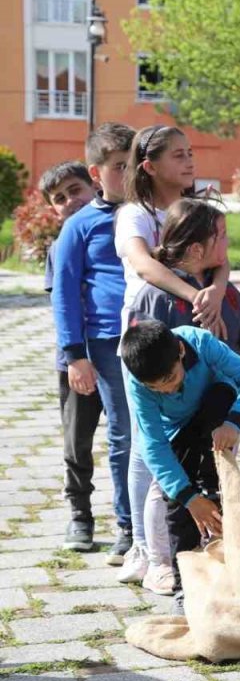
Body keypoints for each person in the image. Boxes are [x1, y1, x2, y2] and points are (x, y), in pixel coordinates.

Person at [115, 125, 229, 591]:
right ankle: (146, 548)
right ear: (149, 165)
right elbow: (145, 265)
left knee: (187, 439)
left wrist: (215, 292)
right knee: (148, 443)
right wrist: (196, 295)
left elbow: (220, 258)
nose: (189, 161)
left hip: (193, 333)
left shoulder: (202, 202)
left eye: (190, 153)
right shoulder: (134, 214)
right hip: (150, 331)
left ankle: (188, 538)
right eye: (177, 155)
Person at [120, 321, 240, 613]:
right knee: (175, 498)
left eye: (171, 378)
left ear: (181, 351)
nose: (168, 389)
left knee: (219, 489)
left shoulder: (199, 342)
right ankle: (183, 586)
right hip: (175, 430)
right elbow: (153, 445)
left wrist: (234, 422)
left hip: (217, 413)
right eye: (157, 388)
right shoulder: (138, 380)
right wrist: (188, 497)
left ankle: (231, 568)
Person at [128, 199, 240, 396]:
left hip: (226, 408)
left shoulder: (226, 291)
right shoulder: (155, 298)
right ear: (197, 250)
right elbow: (140, 367)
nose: (229, 241)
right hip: (177, 414)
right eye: (222, 235)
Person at [42, 159, 116, 556]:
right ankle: (80, 514)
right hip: (75, 357)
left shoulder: (115, 230)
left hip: (117, 350)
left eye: (75, 191)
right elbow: (62, 302)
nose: (70, 201)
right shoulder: (61, 245)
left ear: (93, 185)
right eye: (59, 199)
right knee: (77, 440)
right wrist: (74, 356)